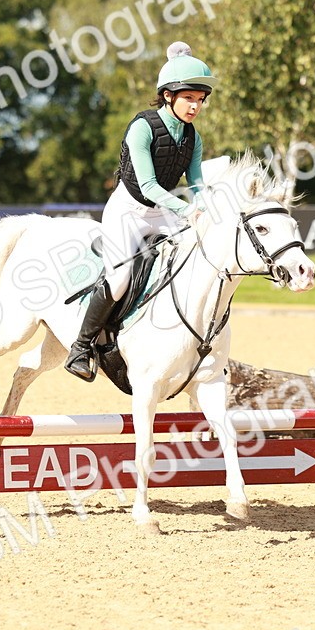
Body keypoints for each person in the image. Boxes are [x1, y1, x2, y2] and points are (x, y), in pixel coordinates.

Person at [64, 41, 216, 381]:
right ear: (168, 96)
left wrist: (206, 209)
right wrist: (187, 211)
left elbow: (197, 185)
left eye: (200, 100)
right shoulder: (142, 128)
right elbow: (147, 187)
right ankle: (82, 346)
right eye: (189, 98)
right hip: (128, 210)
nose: (196, 107)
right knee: (119, 279)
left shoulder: (194, 138)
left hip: (163, 212)